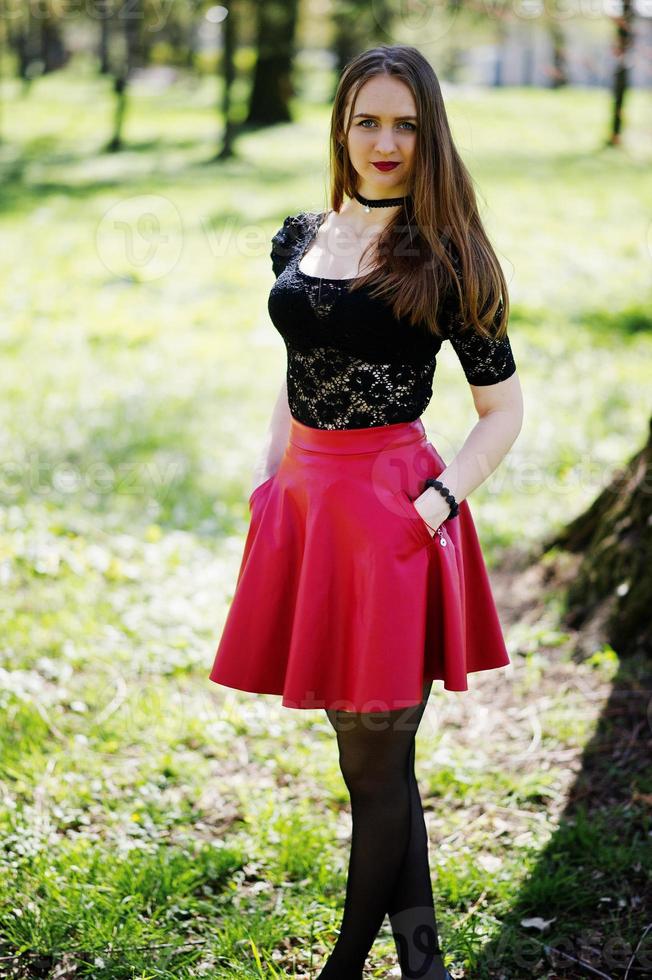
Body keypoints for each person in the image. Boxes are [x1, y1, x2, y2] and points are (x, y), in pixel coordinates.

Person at [209, 44, 524, 980]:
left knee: (376, 770)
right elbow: (299, 365)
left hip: (394, 521)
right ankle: (424, 966)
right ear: (341, 128)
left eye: (406, 125)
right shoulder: (300, 235)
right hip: (310, 513)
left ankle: (346, 965)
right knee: (376, 768)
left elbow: (502, 412)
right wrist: (274, 478)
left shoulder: (451, 255)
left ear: (430, 137)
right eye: (367, 122)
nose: (385, 142)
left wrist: (432, 505)